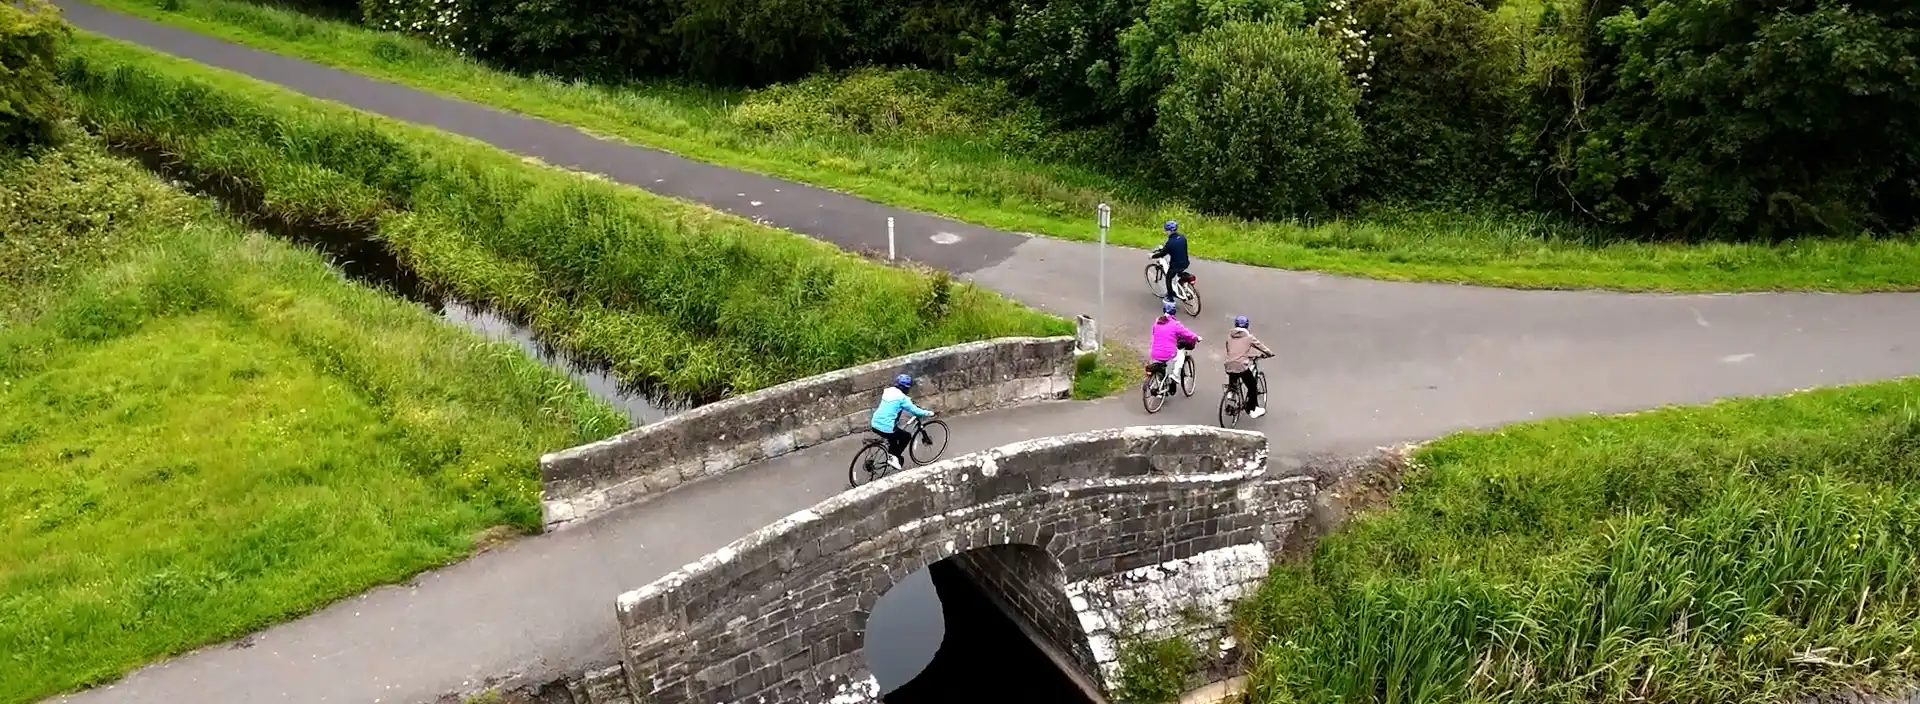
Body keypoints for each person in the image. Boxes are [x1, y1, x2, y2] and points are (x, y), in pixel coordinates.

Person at [870, 374, 934, 469]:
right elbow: (916, 411)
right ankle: (893, 457)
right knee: (906, 436)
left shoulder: (888, 391)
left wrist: (909, 402)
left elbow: (896, 402)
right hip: (886, 427)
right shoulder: (902, 399)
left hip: (874, 423)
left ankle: (890, 453)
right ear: (905, 388)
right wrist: (929, 413)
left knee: (894, 437)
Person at [1224, 315, 1274, 418]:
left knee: (1233, 376)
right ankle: (1252, 409)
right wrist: (1269, 353)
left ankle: (1231, 393)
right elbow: (1260, 346)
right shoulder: (1249, 337)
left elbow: (1230, 350)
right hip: (1241, 366)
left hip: (1229, 364)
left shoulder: (1229, 336)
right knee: (1252, 386)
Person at [1148, 301, 1200, 389]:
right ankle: (1175, 375)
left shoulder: (1157, 322)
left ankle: (1159, 385)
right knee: (1180, 355)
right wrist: (1196, 337)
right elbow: (1186, 333)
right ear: (1174, 311)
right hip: (1168, 353)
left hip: (1154, 353)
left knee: (1160, 366)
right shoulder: (1175, 324)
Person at [1150, 220, 1190, 304]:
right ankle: (1184, 286)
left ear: (1170, 231)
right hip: (1185, 262)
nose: (1166, 232)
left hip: (1175, 265)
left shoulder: (1170, 243)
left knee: (1168, 278)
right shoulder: (1183, 238)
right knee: (1179, 273)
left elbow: (1162, 254)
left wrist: (1152, 256)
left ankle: (1170, 297)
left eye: (1166, 230)